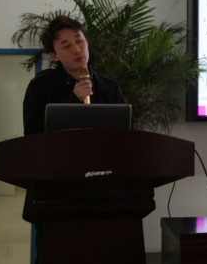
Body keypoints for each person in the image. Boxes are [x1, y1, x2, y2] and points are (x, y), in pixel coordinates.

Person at [21, 15, 125, 263]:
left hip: (102, 191)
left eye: (79, 41)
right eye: (66, 46)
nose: (77, 50)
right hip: (54, 192)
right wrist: (72, 99)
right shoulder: (41, 87)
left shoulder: (108, 86)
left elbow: (124, 136)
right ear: (54, 55)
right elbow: (33, 134)